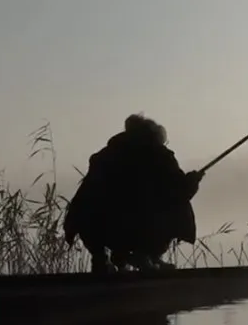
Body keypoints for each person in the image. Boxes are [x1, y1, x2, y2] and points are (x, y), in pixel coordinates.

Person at [64, 114, 204, 274]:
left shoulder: (104, 156)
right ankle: (146, 253)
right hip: (138, 226)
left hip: (103, 228)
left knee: (88, 207)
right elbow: (180, 191)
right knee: (176, 205)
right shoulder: (160, 155)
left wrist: (72, 225)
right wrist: (193, 180)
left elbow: (83, 197)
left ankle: (102, 258)